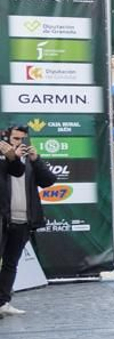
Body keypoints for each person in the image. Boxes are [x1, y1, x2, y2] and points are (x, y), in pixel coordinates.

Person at [0, 126, 55, 312]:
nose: (20, 143)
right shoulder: (3, 159)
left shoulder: (30, 162)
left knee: (11, 263)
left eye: (23, 139)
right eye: (16, 138)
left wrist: (36, 159)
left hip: (24, 219)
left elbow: (49, 180)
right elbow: (11, 170)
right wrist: (10, 157)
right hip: (3, 219)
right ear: (6, 139)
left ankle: (3, 302)